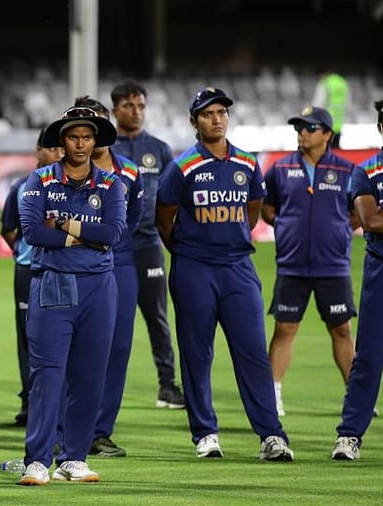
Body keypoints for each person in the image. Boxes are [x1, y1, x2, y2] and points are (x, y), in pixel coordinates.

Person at [155, 87, 293, 461]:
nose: (217, 119)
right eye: (208, 113)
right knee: (197, 355)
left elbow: (252, 210)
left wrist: (227, 242)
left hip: (237, 269)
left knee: (251, 353)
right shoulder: (181, 167)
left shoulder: (247, 164)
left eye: (222, 113)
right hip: (194, 269)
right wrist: (190, 251)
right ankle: (205, 433)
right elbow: (163, 218)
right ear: (194, 121)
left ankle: (271, 436)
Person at [15, 106, 125, 486]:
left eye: (87, 137)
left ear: (96, 142)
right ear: (62, 140)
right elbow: (31, 232)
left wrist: (63, 224)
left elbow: (113, 234)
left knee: (90, 376)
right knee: (48, 376)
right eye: (74, 136)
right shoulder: (40, 180)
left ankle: (74, 458)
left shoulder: (111, 184)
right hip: (54, 283)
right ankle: (38, 460)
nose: (80, 143)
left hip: (99, 287)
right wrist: (82, 236)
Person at [262, 106, 357, 417]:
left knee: (341, 330)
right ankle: (272, 396)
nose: (302, 133)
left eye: (310, 128)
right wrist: (287, 226)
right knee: (284, 328)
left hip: (333, 265)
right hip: (292, 265)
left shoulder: (347, 170)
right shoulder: (279, 168)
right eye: (299, 127)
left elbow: (359, 209)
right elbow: (266, 207)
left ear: (327, 134)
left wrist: (341, 228)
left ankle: (356, 398)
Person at [110, 80, 185, 409]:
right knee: (109, 320)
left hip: (149, 243)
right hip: (111, 248)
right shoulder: (104, 149)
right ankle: (103, 388)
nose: (136, 112)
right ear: (114, 110)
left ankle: (167, 385)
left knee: (157, 316)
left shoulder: (159, 149)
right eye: (128, 106)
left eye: (140, 106)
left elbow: (172, 198)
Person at [75, 96, 144, 458]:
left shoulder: (129, 171)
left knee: (116, 350)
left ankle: (100, 432)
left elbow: (133, 219)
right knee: (72, 351)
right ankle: (63, 430)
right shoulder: (60, 172)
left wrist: (108, 240)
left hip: (119, 262)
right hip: (72, 265)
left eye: (98, 122)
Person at [0, 128, 63, 427]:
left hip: (62, 269)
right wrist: (24, 252)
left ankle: (60, 402)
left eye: (60, 148)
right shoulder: (24, 186)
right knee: (28, 338)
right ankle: (29, 400)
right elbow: (7, 227)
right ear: (39, 151)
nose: (59, 153)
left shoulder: (69, 185)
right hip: (29, 272)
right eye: (52, 148)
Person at [331, 98, 383, 461]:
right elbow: (372, 221)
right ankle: (349, 435)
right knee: (369, 357)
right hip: (381, 274)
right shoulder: (366, 172)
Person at [311, 71, 349, 148]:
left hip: (326, 123)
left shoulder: (325, 84)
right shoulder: (342, 83)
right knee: (336, 147)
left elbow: (319, 103)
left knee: (326, 149)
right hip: (339, 122)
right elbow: (348, 102)